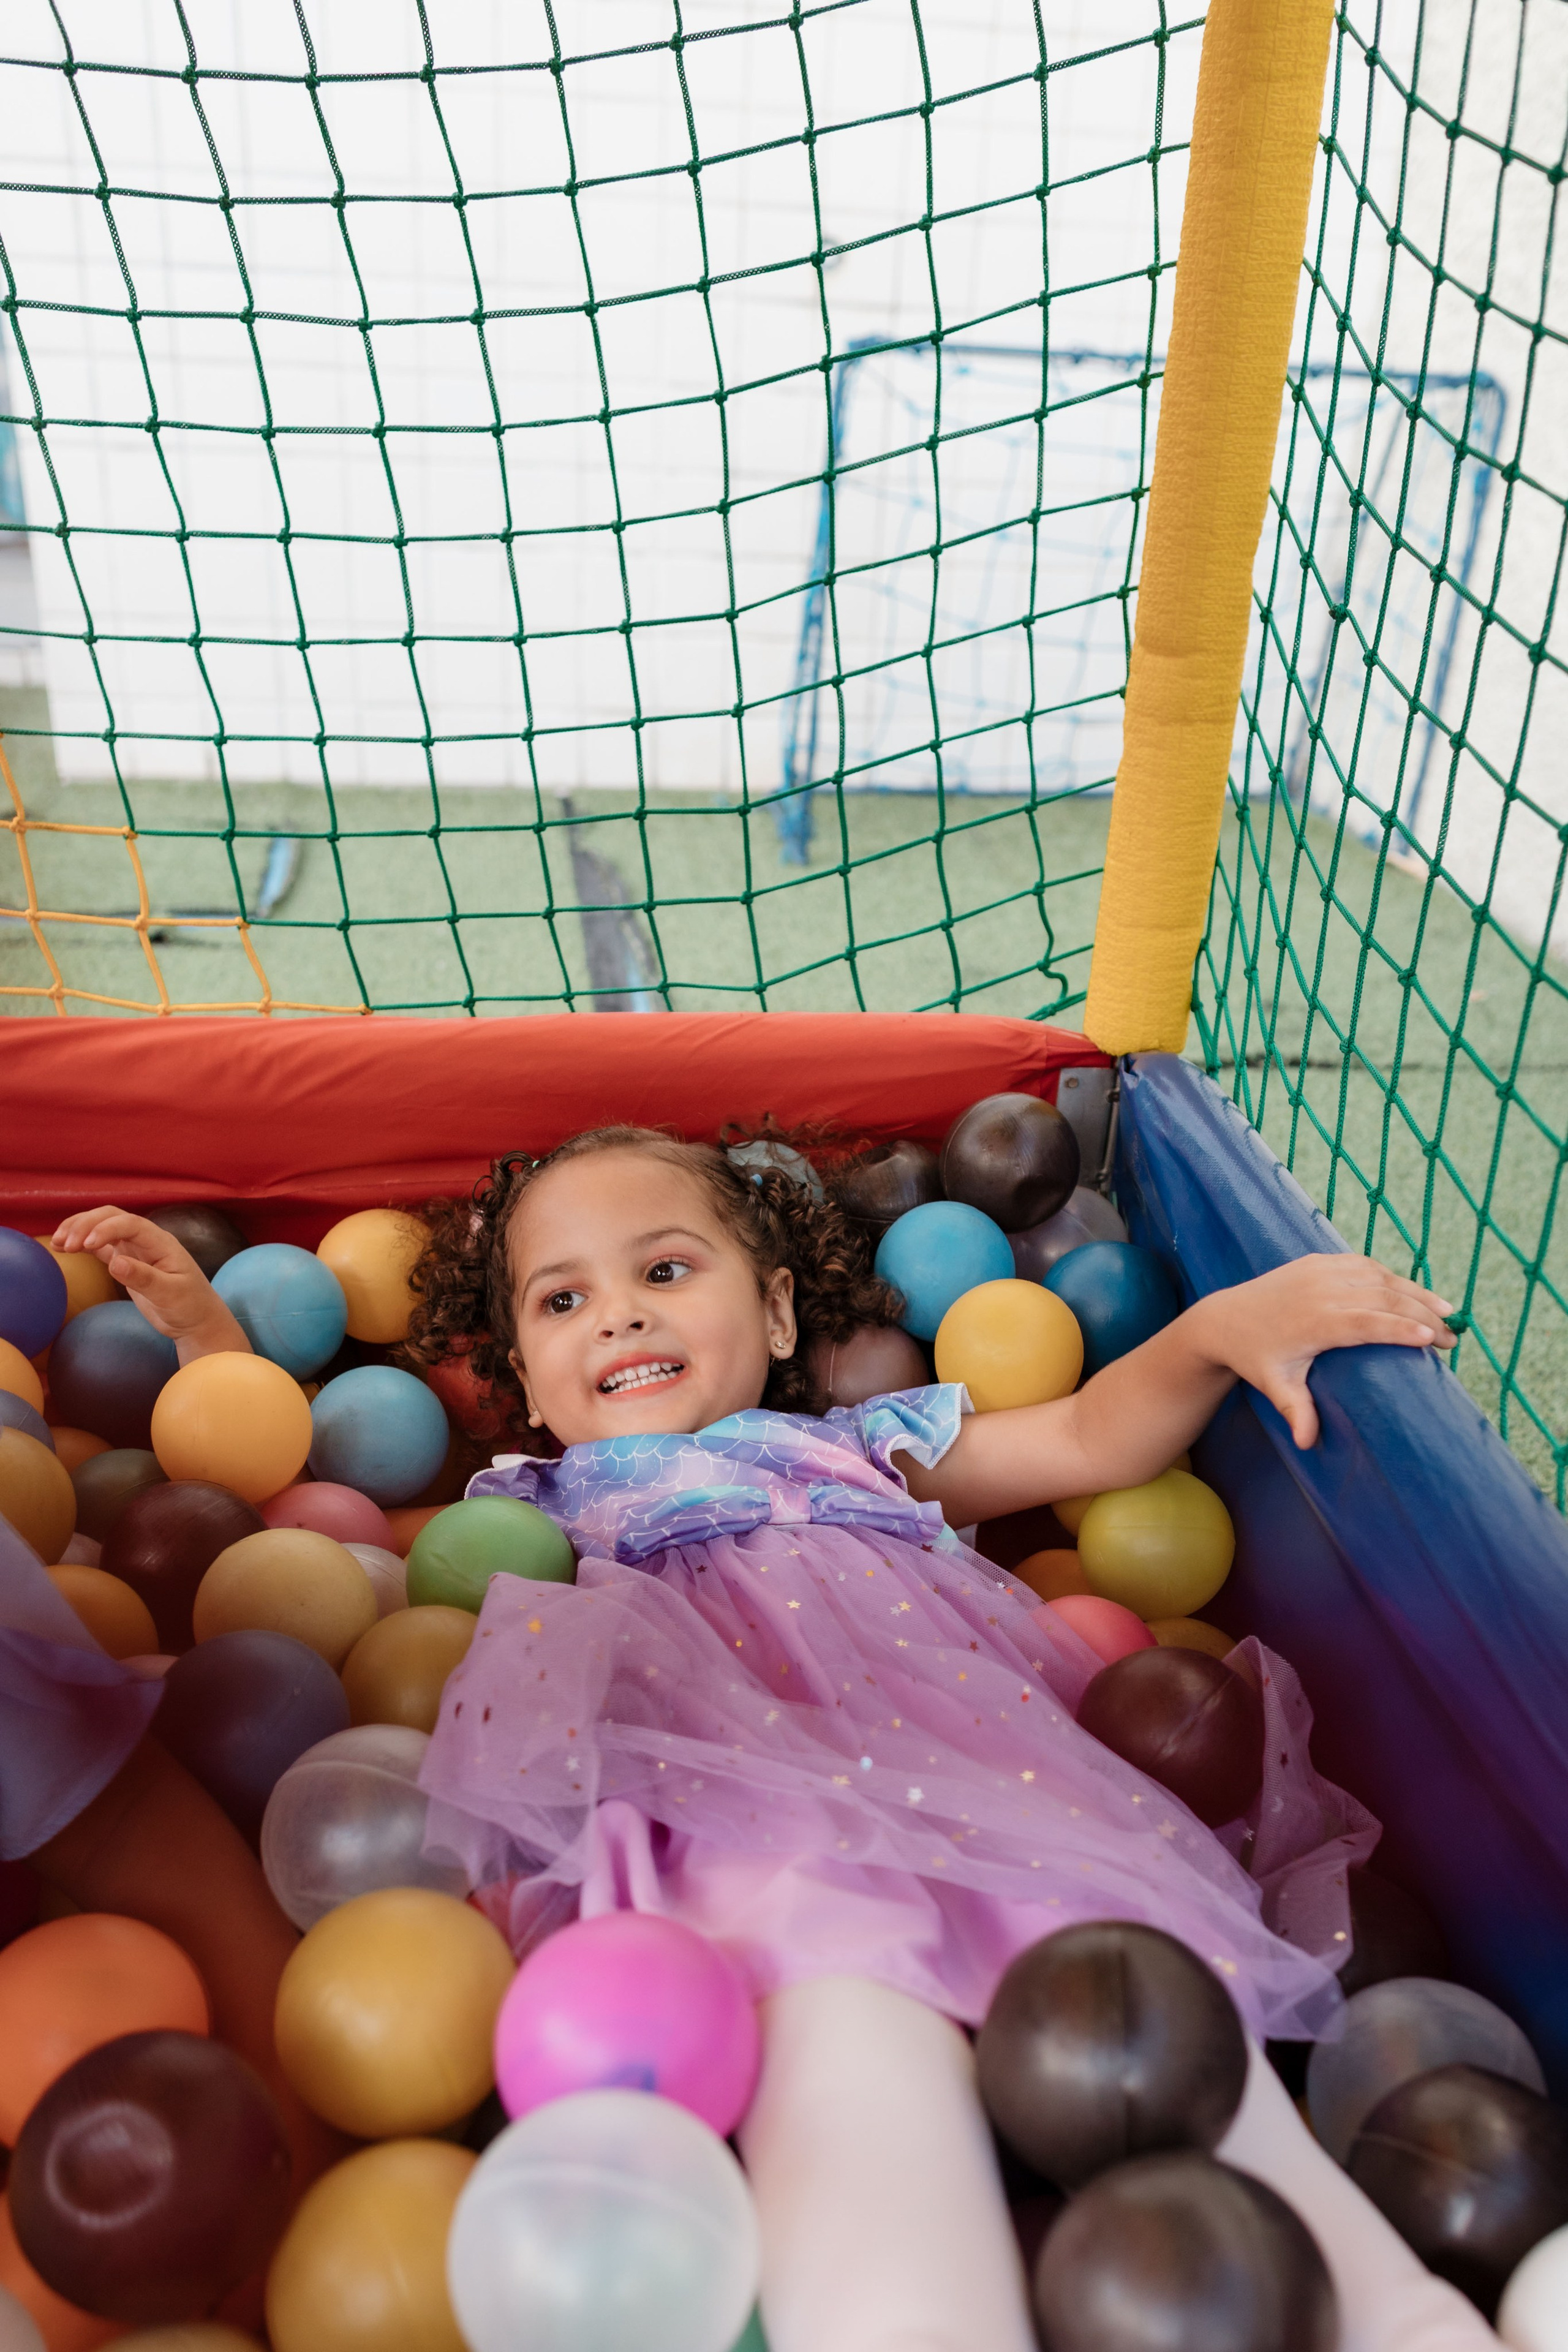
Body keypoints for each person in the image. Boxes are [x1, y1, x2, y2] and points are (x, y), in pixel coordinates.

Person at [55, 1142, 1489, 2352]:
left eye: (665, 1270)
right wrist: (205, 1346)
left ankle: (1398, 2311)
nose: (618, 1315)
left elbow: (1091, 1439)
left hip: (993, 1784)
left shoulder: (863, 1447)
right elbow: (288, 1515)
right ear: (529, 1386)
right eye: (565, 1301)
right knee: (839, 2030)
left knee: (1138, 1994)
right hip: (738, 1817)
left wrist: (1221, 1325)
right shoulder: (526, 1502)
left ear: (783, 1313)